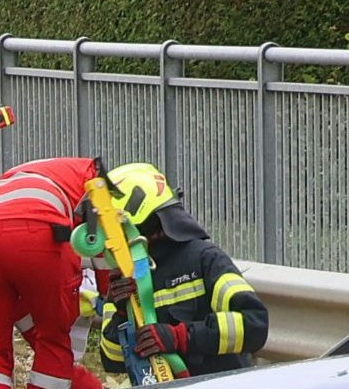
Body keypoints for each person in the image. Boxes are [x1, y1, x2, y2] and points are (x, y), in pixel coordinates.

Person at [0, 152, 150, 389]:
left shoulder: (26, 174)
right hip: (39, 232)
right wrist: (117, 296)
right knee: (53, 340)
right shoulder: (95, 179)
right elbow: (105, 246)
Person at [106, 162, 267, 378]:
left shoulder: (204, 259)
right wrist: (123, 313)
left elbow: (254, 325)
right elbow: (111, 360)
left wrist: (182, 337)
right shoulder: (128, 275)